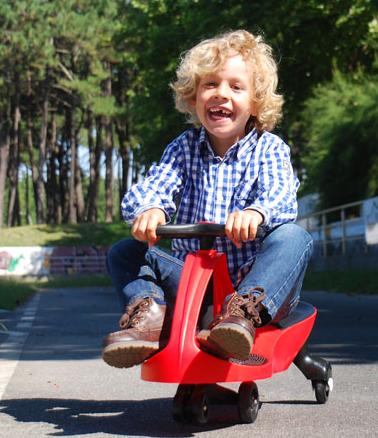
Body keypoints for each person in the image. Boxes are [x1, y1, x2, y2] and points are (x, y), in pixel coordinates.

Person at [102, 29, 313, 368]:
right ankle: (152, 314)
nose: (221, 95)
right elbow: (154, 185)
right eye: (210, 85)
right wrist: (151, 208)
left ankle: (240, 318)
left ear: (256, 101)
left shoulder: (268, 149)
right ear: (194, 96)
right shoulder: (183, 148)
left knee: (294, 237)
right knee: (124, 252)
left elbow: (281, 194)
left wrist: (255, 213)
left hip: (253, 282)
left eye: (236, 87)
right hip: (192, 286)